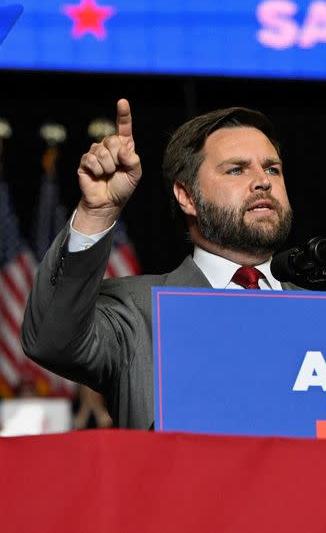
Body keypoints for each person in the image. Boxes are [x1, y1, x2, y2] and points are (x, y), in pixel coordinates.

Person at [21, 99, 300, 429]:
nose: (263, 181)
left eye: (272, 169)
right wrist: (97, 212)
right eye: (237, 169)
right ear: (187, 196)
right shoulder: (138, 311)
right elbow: (51, 339)